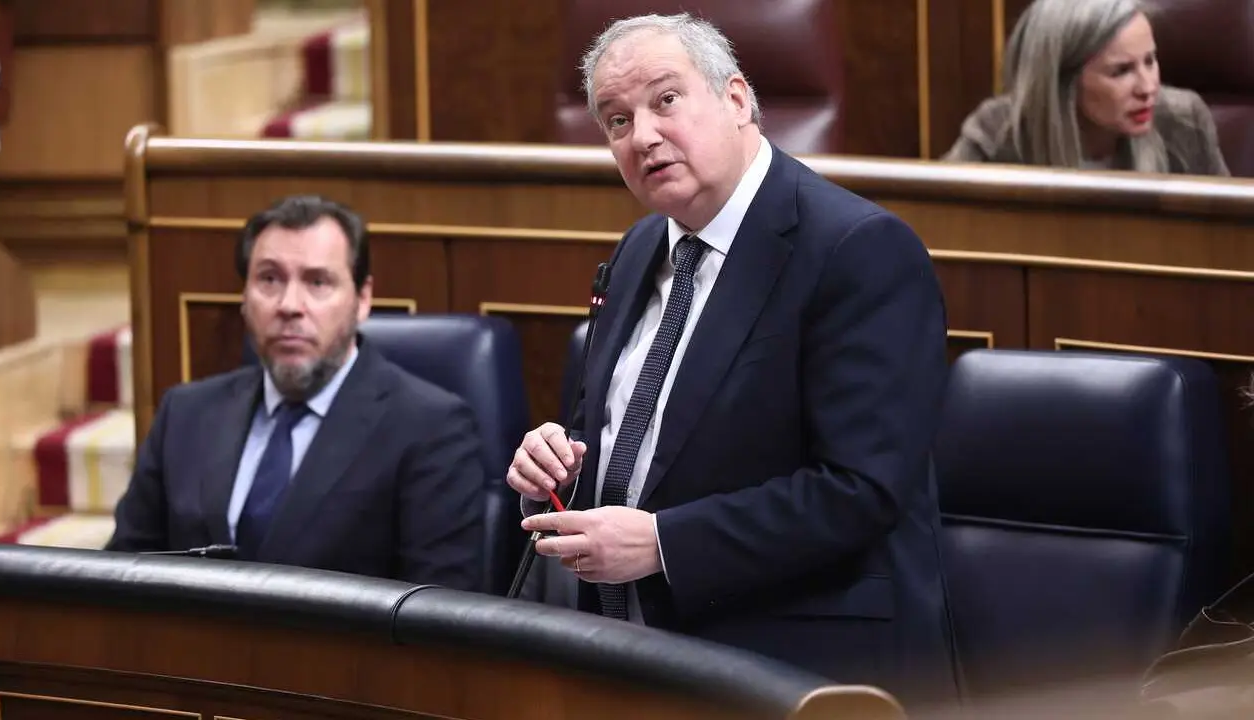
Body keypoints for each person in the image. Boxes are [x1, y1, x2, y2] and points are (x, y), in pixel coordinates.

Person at [506, 12, 959, 705]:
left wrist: (664, 545)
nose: (643, 135)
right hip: (633, 657)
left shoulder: (857, 250)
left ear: (738, 99)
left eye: (665, 100)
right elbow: (641, 441)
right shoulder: (636, 253)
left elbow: (860, 490)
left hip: (800, 668)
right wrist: (559, 457)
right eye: (617, 121)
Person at [107, 195, 486, 591]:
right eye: (269, 279)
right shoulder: (185, 414)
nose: (289, 305)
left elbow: (440, 615)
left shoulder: (430, 428)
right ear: (244, 296)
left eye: (317, 282)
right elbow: (120, 576)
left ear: (363, 299)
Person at [943, 0, 1229, 176]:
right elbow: (941, 222)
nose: (1147, 87)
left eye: (1150, 61)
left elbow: (1231, 236)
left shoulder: (1184, 121)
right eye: (1122, 71)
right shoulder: (1001, 130)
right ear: (1061, 81)